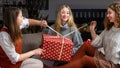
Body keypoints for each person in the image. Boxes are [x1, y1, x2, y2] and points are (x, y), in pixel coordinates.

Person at [50, 1, 120, 68]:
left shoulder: (73, 29)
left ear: (117, 13)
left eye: (110, 13)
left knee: (85, 59)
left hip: (112, 64)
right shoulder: (109, 28)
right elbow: (98, 43)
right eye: (107, 13)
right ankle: (70, 65)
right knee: (86, 45)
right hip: (105, 57)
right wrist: (92, 29)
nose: (107, 15)